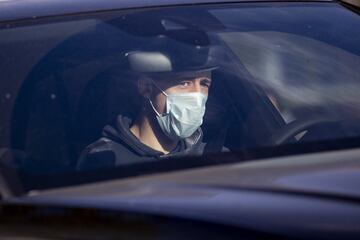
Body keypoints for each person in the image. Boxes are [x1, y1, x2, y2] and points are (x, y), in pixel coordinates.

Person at [77, 47, 217, 170]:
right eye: (184, 83)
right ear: (146, 88)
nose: (197, 95)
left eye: (204, 84)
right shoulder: (105, 158)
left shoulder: (215, 158)